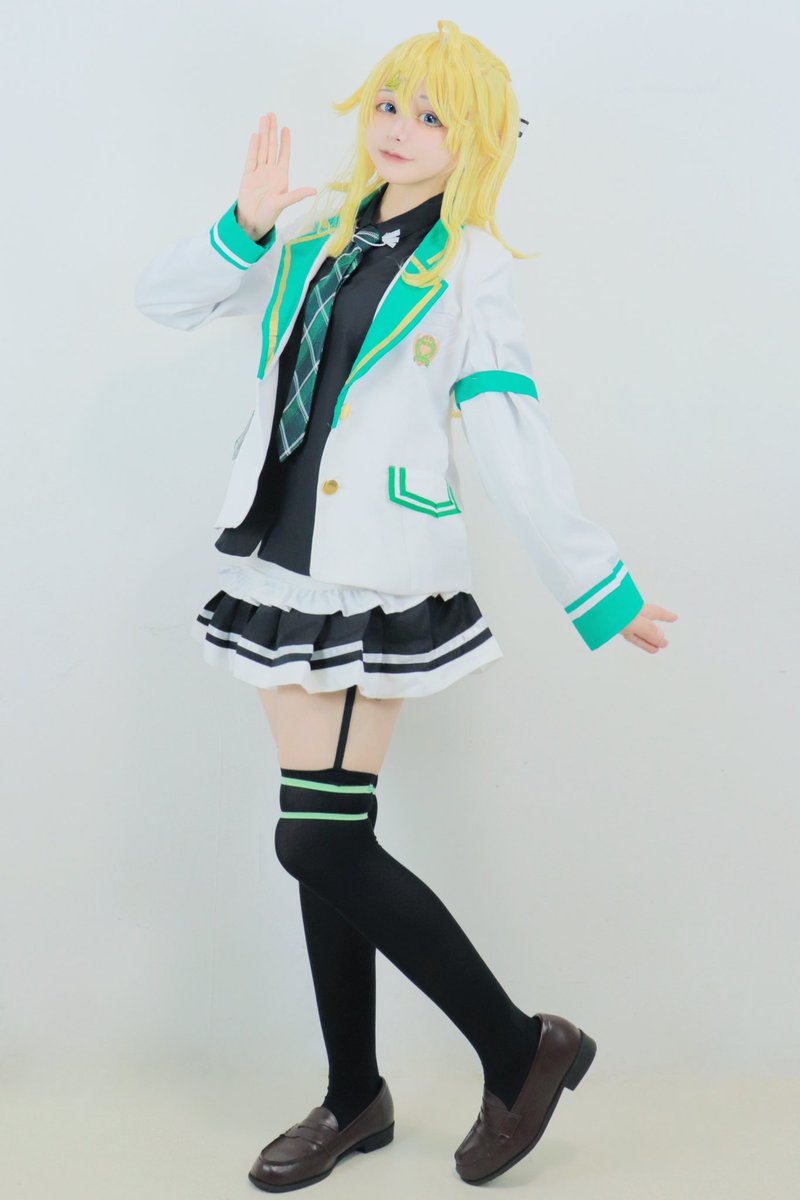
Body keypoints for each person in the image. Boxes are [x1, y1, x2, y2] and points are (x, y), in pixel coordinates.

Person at [135, 18, 677, 1191]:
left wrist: (596, 585)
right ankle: (355, 1099)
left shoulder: (470, 268)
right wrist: (241, 225)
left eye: (432, 115)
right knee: (326, 843)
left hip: (375, 573)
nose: (399, 129)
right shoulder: (309, 233)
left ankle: (518, 1047)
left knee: (315, 839)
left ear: (473, 139)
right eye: (390, 103)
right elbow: (165, 303)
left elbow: (508, 433)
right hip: (276, 563)